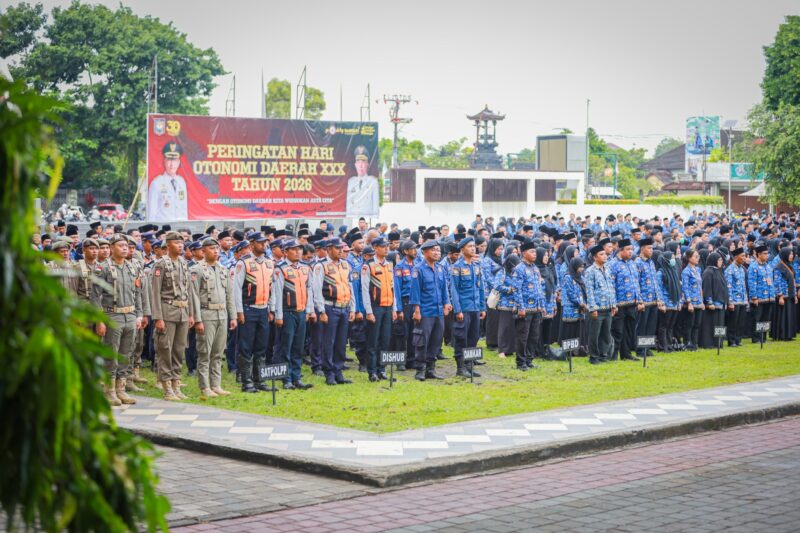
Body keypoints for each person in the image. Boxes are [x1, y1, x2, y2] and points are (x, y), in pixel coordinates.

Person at [92, 234, 144, 406]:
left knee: (125, 353)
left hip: (129, 315)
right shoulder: (103, 268)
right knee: (111, 354)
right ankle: (109, 390)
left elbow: (137, 293)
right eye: (120, 245)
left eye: (126, 245)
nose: (124, 248)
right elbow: (95, 296)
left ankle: (121, 389)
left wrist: (139, 314)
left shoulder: (131, 267)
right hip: (111, 315)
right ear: (112, 247)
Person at [151, 231, 195, 401]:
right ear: (168, 246)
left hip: (182, 312)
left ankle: (177, 383)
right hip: (167, 311)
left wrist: (191, 313)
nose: (180, 246)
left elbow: (188, 290)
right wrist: (158, 317)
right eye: (177, 243)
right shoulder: (160, 264)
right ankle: (167, 386)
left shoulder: (184, 263)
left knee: (178, 349)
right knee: (165, 349)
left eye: (182, 243)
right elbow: (155, 292)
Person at [191, 238, 237, 399]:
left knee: (218, 352)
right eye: (212, 249)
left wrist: (233, 316)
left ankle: (216, 384)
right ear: (203, 251)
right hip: (206, 314)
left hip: (222, 314)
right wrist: (197, 319)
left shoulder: (223, 269)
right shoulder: (197, 270)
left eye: (217, 249)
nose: (216, 251)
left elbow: (229, 294)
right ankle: (205, 386)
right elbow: (194, 296)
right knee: (204, 352)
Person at [234, 232, 275, 393]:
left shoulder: (269, 263)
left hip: (263, 308)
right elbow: (236, 289)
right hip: (248, 309)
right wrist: (239, 311)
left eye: (265, 242)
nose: (263, 245)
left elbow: (271, 288)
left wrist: (271, 308)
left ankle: (260, 380)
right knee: (246, 346)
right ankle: (247, 381)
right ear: (252, 245)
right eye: (260, 243)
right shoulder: (243, 263)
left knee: (261, 347)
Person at [273, 239, 316, 390]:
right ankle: (286, 378)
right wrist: (278, 315)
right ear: (285, 252)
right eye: (294, 249)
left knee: (298, 347)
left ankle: (296, 377)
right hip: (287, 312)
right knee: (286, 347)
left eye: (299, 249)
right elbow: (277, 293)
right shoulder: (280, 269)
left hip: (301, 311)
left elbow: (309, 289)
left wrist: (309, 310)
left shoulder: (305, 268)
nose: (298, 251)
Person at [313, 238, 355, 385]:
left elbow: (350, 287)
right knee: (328, 341)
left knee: (341, 342)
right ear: (329, 249)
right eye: (337, 248)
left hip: (344, 306)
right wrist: (321, 310)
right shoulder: (321, 266)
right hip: (329, 306)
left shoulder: (345, 265)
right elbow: (316, 290)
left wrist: (353, 307)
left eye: (341, 248)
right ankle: (329, 372)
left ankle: (338, 371)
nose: (340, 251)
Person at [410, 240, 451, 381]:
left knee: (436, 340)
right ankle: (420, 370)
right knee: (421, 341)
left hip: (438, 311)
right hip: (425, 311)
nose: (437, 253)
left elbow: (444, 288)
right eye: (433, 250)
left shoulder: (440, 268)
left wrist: (447, 303)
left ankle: (431, 369)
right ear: (424, 252)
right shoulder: (418, 269)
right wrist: (416, 310)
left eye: (439, 250)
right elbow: (415, 292)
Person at [362, 237, 399, 382]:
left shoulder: (390, 264)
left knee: (385, 340)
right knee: (373, 341)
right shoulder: (368, 265)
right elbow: (365, 290)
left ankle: (382, 369)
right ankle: (372, 372)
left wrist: (395, 308)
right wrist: (369, 311)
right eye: (383, 246)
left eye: (387, 246)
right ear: (375, 248)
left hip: (388, 307)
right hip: (375, 307)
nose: (386, 249)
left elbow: (392, 287)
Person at [449, 236, 485, 378]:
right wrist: (457, 310)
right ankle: (460, 367)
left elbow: (481, 288)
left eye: (474, 246)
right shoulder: (457, 267)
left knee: (474, 337)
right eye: (469, 246)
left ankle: (469, 366)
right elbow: (454, 290)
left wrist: (482, 307)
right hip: (463, 308)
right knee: (461, 337)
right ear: (462, 249)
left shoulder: (476, 266)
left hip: (475, 307)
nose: (473, 248)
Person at [512, 242, 545, 371]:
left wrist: (542, 305)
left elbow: (539, 289)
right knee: (523, 337)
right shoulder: (519, 268)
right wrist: (520, 307)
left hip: (536, 308)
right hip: (525, 309)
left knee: (534, 336)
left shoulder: (535, 268)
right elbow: (516, 289)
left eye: (535, 252)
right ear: (524, 253)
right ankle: (521, 362)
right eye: (532, 252)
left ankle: (529, 360)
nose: (535, 254)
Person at [609, 239, 642, 361]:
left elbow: (636, 284)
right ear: (620, 250)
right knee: (617, 331)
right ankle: (613, 356)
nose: (630, 252)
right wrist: (613, 304)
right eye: (628, 250)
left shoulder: (632, 263)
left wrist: (639, 300)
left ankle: (626, 354)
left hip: (632, 303)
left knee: (629, 330)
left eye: (632, 249)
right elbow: (611, 285)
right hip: (619, 303)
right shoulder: (613, 264)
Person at [584, 245, 616, 364]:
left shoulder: (607, 269)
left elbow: (611, 287)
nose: (605, 256)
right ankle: (594, 357)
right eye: (601, 254)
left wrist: (613, 304)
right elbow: (589, 290)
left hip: (607, 307)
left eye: (605, 254)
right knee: (594, 334)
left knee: (606, 334)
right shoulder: (590, 271)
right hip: (597, 308)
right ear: (595, 257)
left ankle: (604, 355)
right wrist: (592, 308)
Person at [634, 238, 664, 357]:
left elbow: (656, 283)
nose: (651, 250)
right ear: (642, 249)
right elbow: (636, 283)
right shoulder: (637, 263)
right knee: (642, 326)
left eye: (652, 248)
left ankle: (647, 348)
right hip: (644, 301)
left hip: (653, 300)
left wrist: (659, 299)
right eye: (649, 248)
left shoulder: (651, 262)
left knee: (651, 326)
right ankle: (640, 349)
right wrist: (639, 300)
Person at [148, 141, 189, 222]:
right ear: (164, 161)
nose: (171, 164)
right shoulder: (156, 183)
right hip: (164, 227)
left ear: (179, 162)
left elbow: (184, 207)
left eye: (174, 161)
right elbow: (151, 211)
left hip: (181, 225)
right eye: (169, 160)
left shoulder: (182, 182)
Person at [393, 240, 418, 371]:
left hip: (415, 303)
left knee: (414, 332)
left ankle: (411, 360)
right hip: (404, 302)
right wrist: (398, 309)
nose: (415, 251)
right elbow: (396, 290)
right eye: (412, 249)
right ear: (405, 251)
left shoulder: (417, 265)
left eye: (415, 248)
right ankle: (400, 361)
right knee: (402, 333)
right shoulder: (399, 267)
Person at [699, 252, 729, 348]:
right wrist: (709, 301)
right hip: (713, 304)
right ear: (714, 261)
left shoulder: (719, 271)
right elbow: (707, 288)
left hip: (721, 303)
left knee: (719, 324)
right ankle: (709, 343)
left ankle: (718, 343)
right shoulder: (708, 272)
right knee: (710, 325)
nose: (721, 262)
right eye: (719, 260)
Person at [748, 244, 775, 342]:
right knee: (757, 319)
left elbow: (771, 281)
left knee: (766, 318)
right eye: (764, 253)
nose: (767, 255)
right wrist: (754, 297)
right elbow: (751, 283)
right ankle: (756, 338)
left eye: (767, 253)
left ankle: (764, 337)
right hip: (759, 298)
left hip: (768, 297)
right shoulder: (753, 267)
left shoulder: (768, 266)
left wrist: (772, 295)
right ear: (758, 254)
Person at [495, 254, 520, 359]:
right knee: (504, 327)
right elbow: (497, 286)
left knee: (512, 327)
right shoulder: (502, 272)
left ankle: (510, 349)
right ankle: (501, 350)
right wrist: (509, 289)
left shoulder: (515, 273)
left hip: (514, 303)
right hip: (504, 304)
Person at [559, 257, 587, 351]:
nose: (581, 269)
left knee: (579, 327)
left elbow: (584, 292)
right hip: (570, 308)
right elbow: (571, 294)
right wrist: (581, 304)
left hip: (580, 308)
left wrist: (584, 304)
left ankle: (579, 349)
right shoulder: (568, 277)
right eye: (580, 267)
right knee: (570, 328)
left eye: (583, 267)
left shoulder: (581, 277)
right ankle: (570, 350)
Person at [656, 251, 681, 352]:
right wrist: (661, 302)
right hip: (666, 303)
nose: (673, 260)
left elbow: (678, 288)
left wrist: (679, 302)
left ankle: (669, 345)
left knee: (671, 326)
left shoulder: (674, 270)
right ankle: (663, 346)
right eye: (672, 258)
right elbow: (659, 289)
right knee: (664, 325)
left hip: (674, 302)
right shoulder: (660, 273)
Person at [771, 247, 797, 341]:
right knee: (782, 316)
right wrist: (780, 296)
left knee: (789, 316)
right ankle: (781, 335)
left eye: (792, 254)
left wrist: (794, 294)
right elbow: (777, 282)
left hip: (789, 295)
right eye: (789, 254)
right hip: (782, 296)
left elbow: (792, 280)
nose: (791, 256)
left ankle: (788, 335)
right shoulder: (779, 267)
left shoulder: (789, 265)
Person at [346, 146, 379, 217]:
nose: (361, 165)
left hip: (367, 217)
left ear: (367, 164)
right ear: (355, 165)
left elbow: (375, 206)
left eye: (363, 161)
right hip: (354, 217)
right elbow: (348, 205)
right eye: (358, 161)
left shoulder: (373, 182)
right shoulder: (351, 182)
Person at [724, 248, 748, 347]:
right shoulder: (729, 270)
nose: (744, 258)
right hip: (734, 300)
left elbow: (744, 285)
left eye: (744, 256)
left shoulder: (742, 269)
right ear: (736, 257)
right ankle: (731, 341)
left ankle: (738, 339)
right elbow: (728, 287)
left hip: (742, 300)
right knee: (732, 322)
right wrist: (730, 301)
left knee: (741, 323)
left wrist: (746, 299)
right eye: (742, 256)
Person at [681, 250, 703, 351]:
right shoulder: (686, 271)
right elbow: (685, 287)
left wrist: (702, 301)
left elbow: (700, 286)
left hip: (698, 300)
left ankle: (694, 343)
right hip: (691, 301)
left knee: (697, 324)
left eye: (698, 256)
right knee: (689, 324)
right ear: (689, 258)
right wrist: (689, 302)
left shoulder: (698, 270)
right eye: (695, 256)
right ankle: (687, 342)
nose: (697, 258)